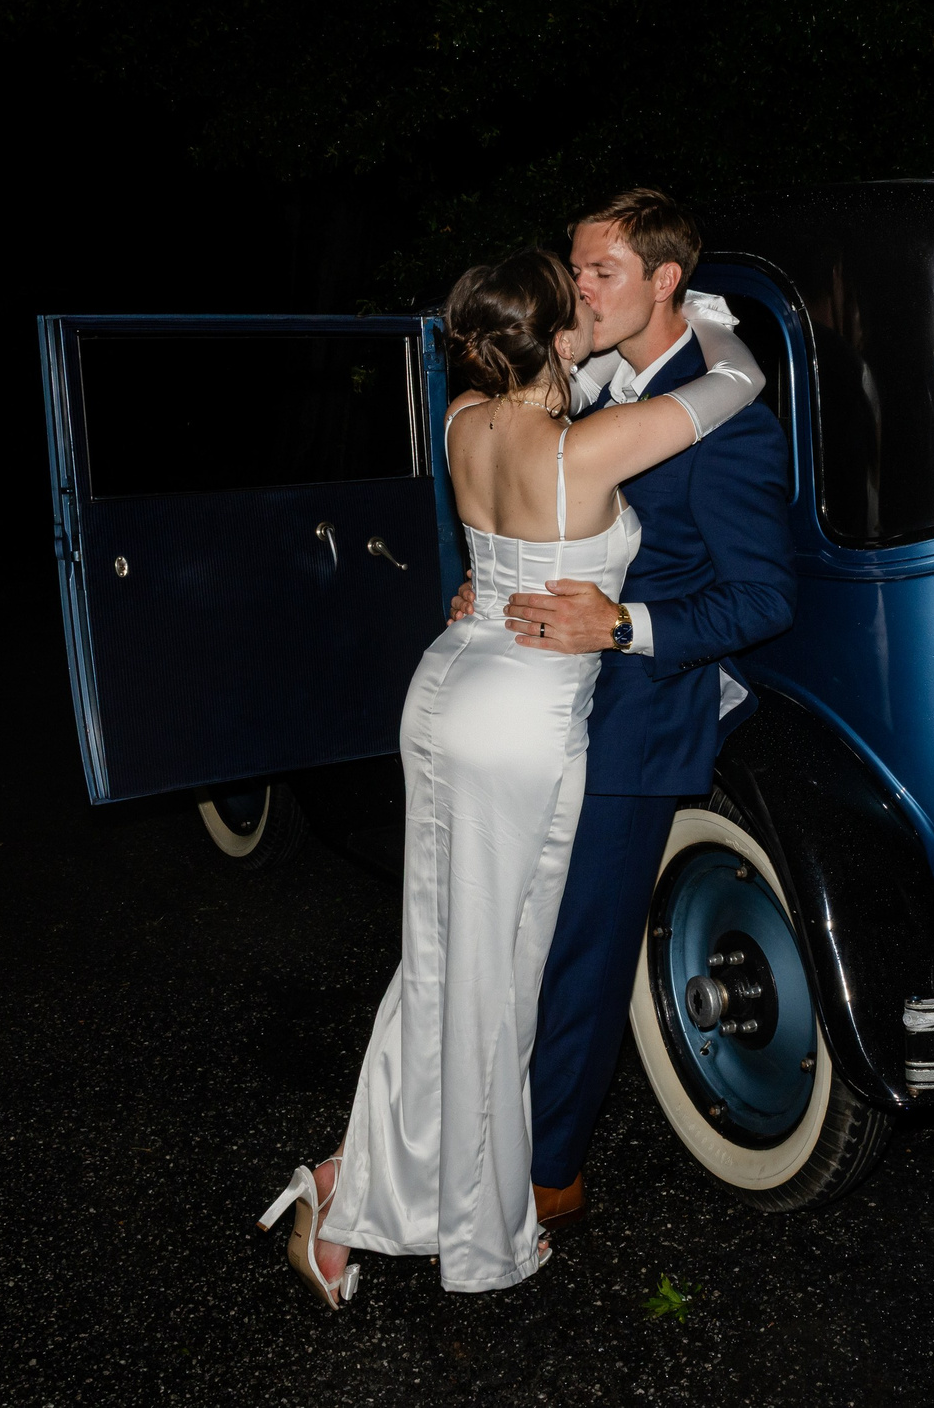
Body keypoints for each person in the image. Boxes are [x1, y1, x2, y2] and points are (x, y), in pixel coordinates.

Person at [252, 243, 765, 1304]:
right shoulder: (586, 448)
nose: (587, 302)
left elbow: (499, 539)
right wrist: (707, 310)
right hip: (519, 724)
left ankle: (348, 1193)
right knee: (491, 978)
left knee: (439, 962)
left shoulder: (462, 422)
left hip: (442, 691)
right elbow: (737, 383)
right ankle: (468, 1233)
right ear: (555, 338)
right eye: (572, 299)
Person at [501, 189, 798, 1237]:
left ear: (667, 278)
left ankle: (547, 1177)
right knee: (520, 934)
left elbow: (763, 599)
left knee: (583, 947)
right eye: (575, 269)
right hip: (541, 696)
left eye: (600, 272)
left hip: (640, 716)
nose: (577, 287)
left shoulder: (725, 421)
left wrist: (621, 627)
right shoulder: (583, 388)